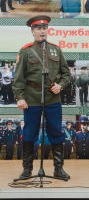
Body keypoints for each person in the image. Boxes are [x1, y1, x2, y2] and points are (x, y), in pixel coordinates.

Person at [12, 15, 71, 180]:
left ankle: (58, 169)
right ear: (32, 31)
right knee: (30, 133)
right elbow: (18, 78)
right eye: (38, 28)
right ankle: (27, 170)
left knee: (56, 133)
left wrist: (61, 85)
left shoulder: (56, 49)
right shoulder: (25, 51)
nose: (42, 31)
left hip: (53, 99)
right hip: (31, 98)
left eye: (44, 28)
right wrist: (20, 97)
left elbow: (66, 74)